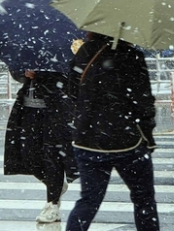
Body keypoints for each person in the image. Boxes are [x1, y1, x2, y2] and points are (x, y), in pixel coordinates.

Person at [66, 32, 159, 231]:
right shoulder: (132, 56)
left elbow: (72, 92)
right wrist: (148, 136)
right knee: (144, 199)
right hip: (128, 140)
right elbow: (143, 102)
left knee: (89, 200)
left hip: (88, 139)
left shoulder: (84, 53)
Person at [4, 69, 78, 223]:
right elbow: (16, 73)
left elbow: (68, 78)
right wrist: (23, 74)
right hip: (29, 111)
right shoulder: (29, 52)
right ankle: (55, 185)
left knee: (52, 158)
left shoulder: (63, 54)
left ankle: (53, 204)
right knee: (27, 155)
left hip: (55, 112)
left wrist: (41, 75)